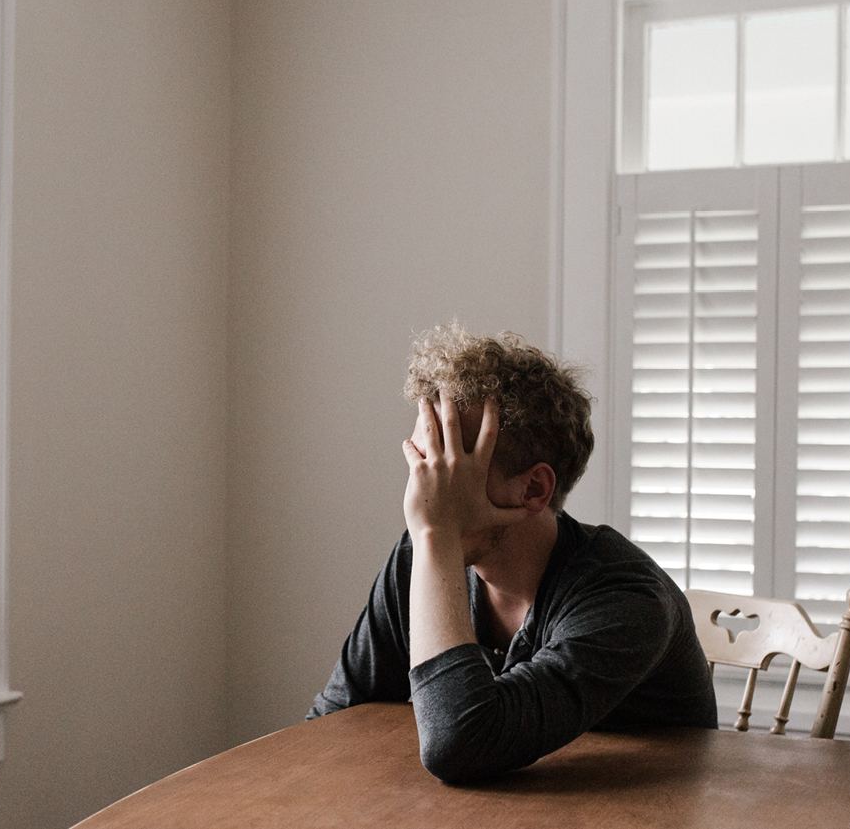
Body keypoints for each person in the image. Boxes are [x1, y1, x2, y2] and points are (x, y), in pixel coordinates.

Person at [307, 323, 717, 784]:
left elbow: (459, 744)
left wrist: (437, 534)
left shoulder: (627, 599)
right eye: (423, 461)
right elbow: (331, 722)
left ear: (534, 487)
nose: (423, 491)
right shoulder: (421, 555)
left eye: (449, 465)